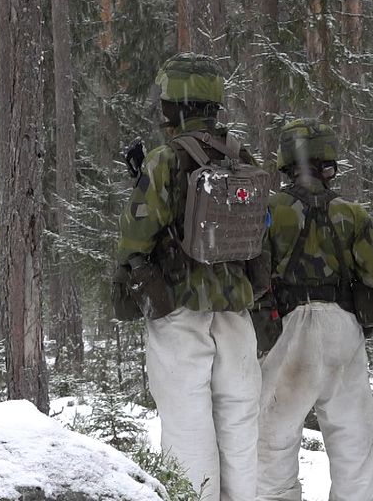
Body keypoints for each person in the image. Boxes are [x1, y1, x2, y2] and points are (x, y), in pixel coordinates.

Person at [114, 52, 263, 500]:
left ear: (174, 105)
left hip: (179, 311)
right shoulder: (242, 157)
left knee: (187, 429)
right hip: (235, 313)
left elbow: (134, 238)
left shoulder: (164, 159)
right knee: (239, 426)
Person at [257, 118, 373, 501]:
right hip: (343, 327)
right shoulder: (352, 214)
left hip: (288, 327)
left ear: (287, 162)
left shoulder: (270, 210)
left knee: (273, 442)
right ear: (328, 162)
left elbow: (252, 271)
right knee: (353, 443)